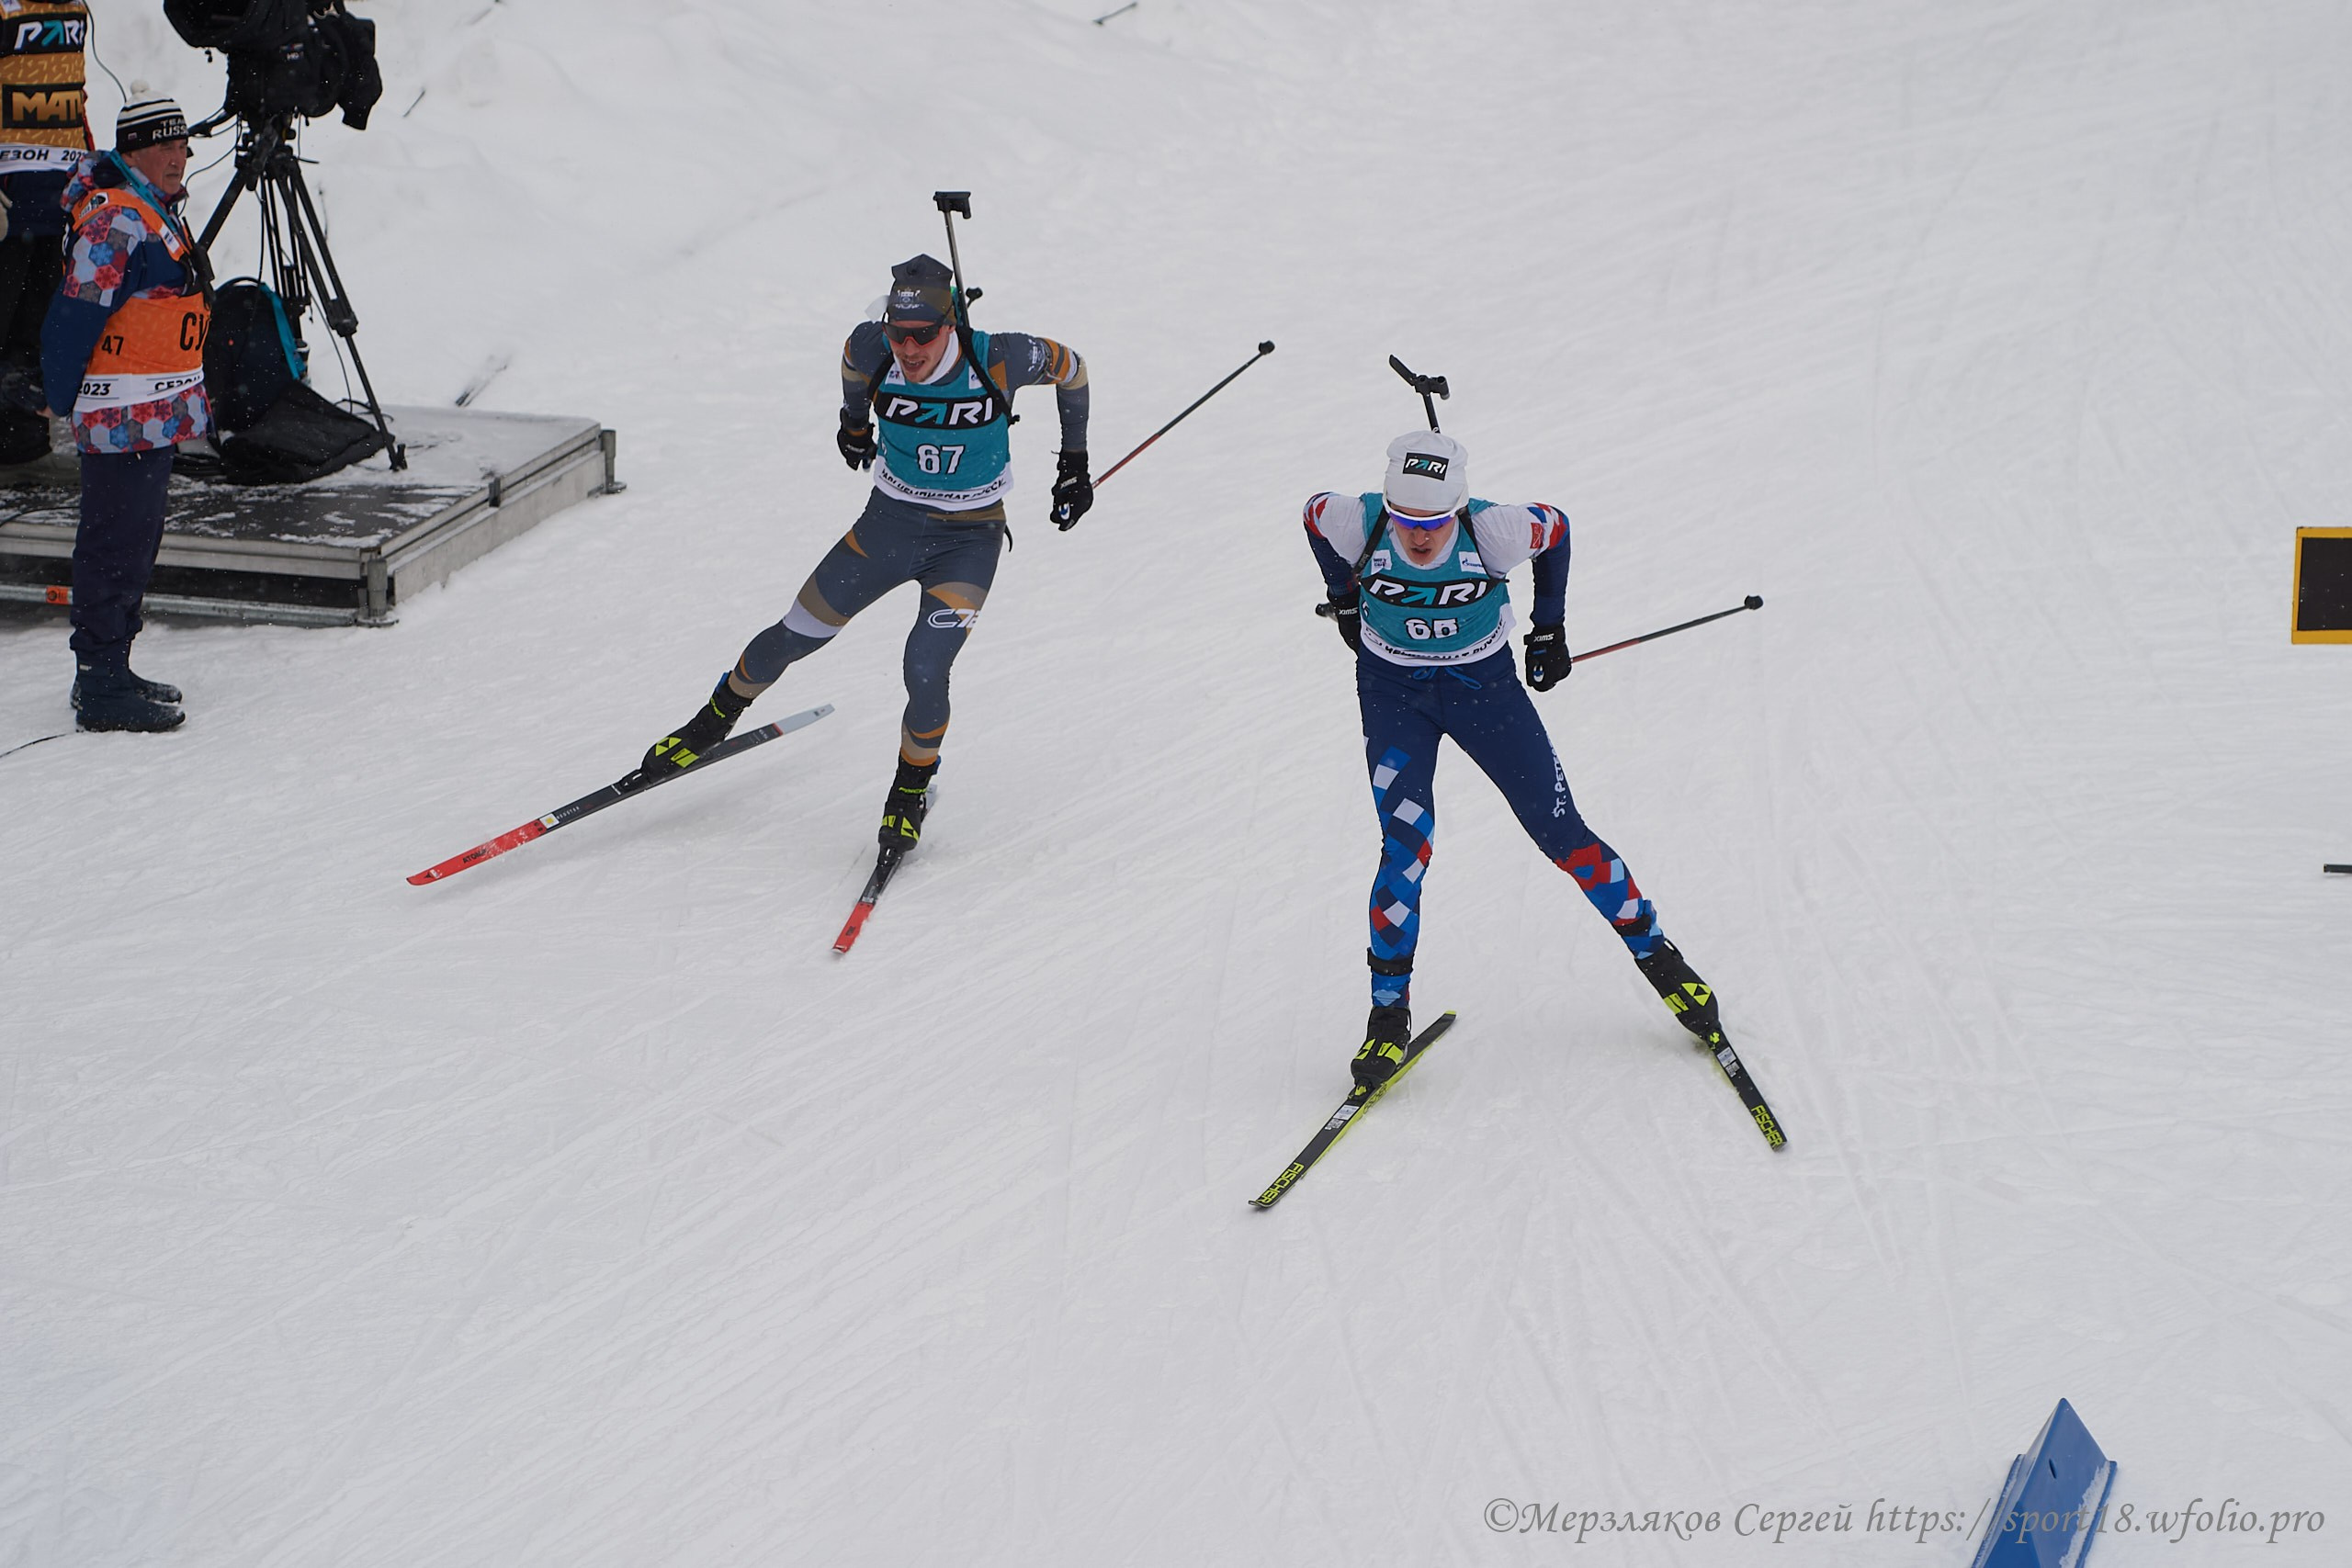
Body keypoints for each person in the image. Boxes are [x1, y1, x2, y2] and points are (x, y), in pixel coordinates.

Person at [1304, 430, 1729, 1088]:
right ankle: (1387, 1019)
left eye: (1436, 522)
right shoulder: (1360, 520)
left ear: (1459, 508)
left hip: (1485, 693)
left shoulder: (1496, 532)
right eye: (1410, 521)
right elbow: (1310, 513)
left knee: (1563, 835)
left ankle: (1663, 961)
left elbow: (1556, 529)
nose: (1420, 537)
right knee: (1405, 848)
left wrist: (1549, 625)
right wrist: (1341, 596)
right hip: (1394, 697)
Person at [634, 254, 1091, 848]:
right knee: (794, 634)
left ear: (950, 325)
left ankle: (909, 788)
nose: (908, 347)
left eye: (923, 333)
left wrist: (1074, 463)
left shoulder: (999, 355)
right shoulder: (870, 348)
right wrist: (854, 425)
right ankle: (710, 722)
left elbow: (1074, 368)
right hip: (888, 526)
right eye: (898, 333)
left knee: (924, 668)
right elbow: (853, 368)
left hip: (968, 540)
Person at [40, 96, 209, 733]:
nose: (177, 157)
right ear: (132, 151)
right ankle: (100, 680)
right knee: (114, 543)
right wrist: (59, 397)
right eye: (163, 146)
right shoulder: (116, 224)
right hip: (121, 418)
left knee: (135, 542)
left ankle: (115, 663)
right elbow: (74, 317)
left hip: (152, 413)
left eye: (183, 145)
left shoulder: (151, 212)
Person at [0, 0, 90, 463]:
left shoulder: (75, 8)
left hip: (61, 186)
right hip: (12, 186)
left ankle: (20, 439)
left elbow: (77, 92)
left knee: (38, 324)